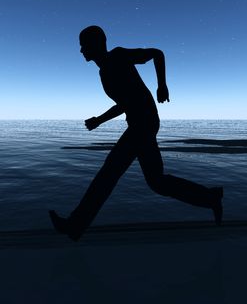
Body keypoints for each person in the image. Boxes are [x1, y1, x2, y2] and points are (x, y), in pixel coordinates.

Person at [49, 25, 223, 241]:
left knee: (108, 173)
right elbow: (123, 104)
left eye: (84, 45)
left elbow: (156, 54)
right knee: (156, 182)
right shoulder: (104, 73)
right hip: (139, 124)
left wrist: (162, 85)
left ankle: (75, 226)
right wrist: (99, 121)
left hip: (144, 123)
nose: (81, 50)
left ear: (96, 44)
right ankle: (211, 197)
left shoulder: (119, 56)